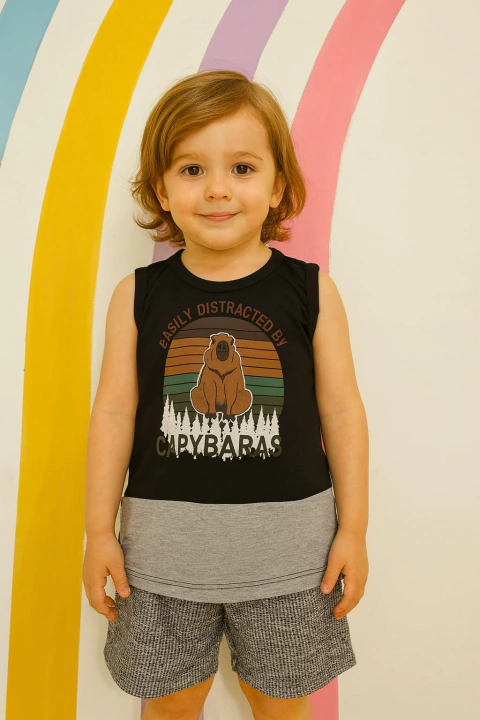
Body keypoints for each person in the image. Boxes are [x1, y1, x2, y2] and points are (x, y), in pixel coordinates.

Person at [82, 69, 369, 720]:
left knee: (280, 707)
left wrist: (353, 527)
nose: (217, 189)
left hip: (292, 558)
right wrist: (99, 530)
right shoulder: (136, 296)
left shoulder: (312, 292)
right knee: (169, 707)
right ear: (162, 187)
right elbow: (114, 414)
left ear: (277, 187)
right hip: (160, 557)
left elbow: (342, 413)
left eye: (242, 168)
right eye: (191, 169)